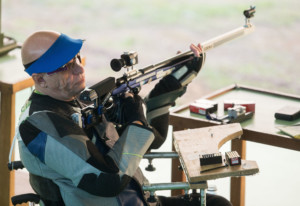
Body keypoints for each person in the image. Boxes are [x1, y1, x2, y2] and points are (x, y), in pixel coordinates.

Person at [16, 30, 232, 206]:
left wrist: (172, 84)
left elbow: (152, 139)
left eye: (77, 59)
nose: (80, 69)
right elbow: (109, 180)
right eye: (66, 66)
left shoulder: (76, 99)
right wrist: (136, 122)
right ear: (41, 80)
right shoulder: (40, 124)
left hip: (136, 199)